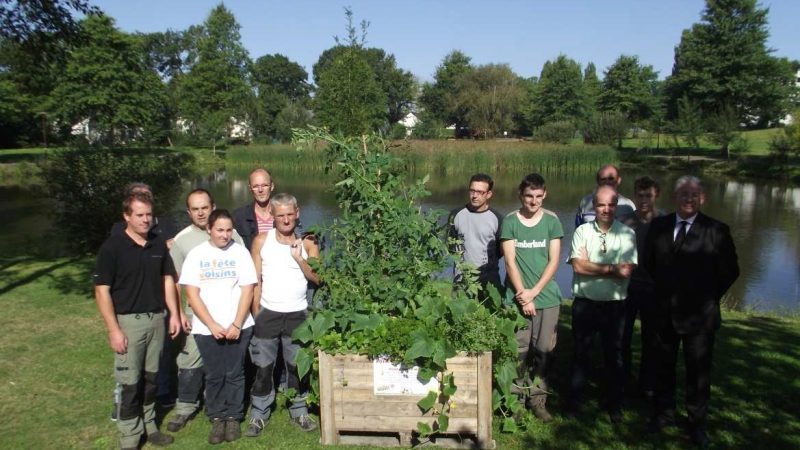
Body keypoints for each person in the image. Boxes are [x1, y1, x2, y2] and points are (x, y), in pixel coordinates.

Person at [644, 176, 739, 447]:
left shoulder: (717, 230)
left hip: (700, 315)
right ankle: (663, 414)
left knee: (698, 372)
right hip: (664, 312)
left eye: (694, 194)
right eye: (683, 193)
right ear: (674, 197)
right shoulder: (659, 226)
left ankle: (696, 423)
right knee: (663, 366)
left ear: (702, 198)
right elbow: (650, 262)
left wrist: (707, 296)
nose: (688, 198)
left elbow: (730, 271)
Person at [93, 192, 181, 449]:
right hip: (128, 323)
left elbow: (167, 279)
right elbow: (102, 290)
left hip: (157, 319)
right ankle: (130, 435)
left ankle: (150, 425)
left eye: (148, 215)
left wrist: (174, 313)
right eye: (139, 215)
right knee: (130, 382)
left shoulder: (157, 244)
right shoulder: (112, 247)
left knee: (152, 378)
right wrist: (113, 330)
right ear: (126, 217)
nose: (145, 220)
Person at [165, 189, 244, 433]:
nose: (201, 213)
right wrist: (177, 313)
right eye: (195, 209)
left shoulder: (232, 235)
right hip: (195, 312)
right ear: (189, 212)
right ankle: (185, 407)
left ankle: (223, 408)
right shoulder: (181, 240)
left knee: (225, 362)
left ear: (212, 207)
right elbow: (173, 279)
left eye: (205, 207)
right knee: (190, 359)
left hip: (228, 313)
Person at [245, 193, 320, 437]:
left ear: (297, 213)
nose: (286, 219)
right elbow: (255, 281)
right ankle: (259, 413)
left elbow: (319, 278)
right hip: (268, 312)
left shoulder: (308, 241)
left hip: (298, 313)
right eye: (281, 215)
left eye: (290, 214)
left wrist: (299, 259)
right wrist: (256, 313)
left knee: (296, 366)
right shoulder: (260, 241)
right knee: (264, 367)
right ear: (273, 217)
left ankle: (298, 409)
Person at [179, 209, 256, 444]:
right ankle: (216, 417)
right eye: (220, 230)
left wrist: (236, 323)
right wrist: (211, 324)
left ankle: (233, 415)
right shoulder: (196, 255)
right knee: (214, 374)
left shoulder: (240, 253)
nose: (224, 235)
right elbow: (191, 293)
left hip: (238, 325)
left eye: (228, 230)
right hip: (206, 328)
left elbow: (247, 289)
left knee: (234, 373)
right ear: (209, 230)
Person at [567, 185, 637, 424]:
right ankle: (575, 403)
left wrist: (592, 266)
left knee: (614, 356)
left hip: (614, 305)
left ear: (616, 206)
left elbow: (626, 271)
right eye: (600, 204)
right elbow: (577, 266)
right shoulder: (582, 232)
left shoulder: (627, 233)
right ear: (593, 206)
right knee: (580, 354)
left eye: (610, 205)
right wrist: (611, 268)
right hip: (585, 303)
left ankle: (614, 404)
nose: (606, 209)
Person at [500, 173, 563, 422]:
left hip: (546, 298)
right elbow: (509, 262)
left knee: (543, 350)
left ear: (544, 195)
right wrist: (523, 297)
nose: (533, 201)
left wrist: (534, 292)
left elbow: (554, 260)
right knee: (518, 351)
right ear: (520, 195)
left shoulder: (552, 222)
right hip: (516, 297)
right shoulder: (510, 222)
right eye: (529, 196)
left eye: (538, 196)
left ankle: (538, 400)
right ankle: (514, 401)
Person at [619, 176, 664, 398]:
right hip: (627, 288)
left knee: (651, 338)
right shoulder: (625, 222)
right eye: (640, 195)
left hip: (654, 289)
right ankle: (624, 378)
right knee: (623, 336)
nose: (644, 199)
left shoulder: (665, 222)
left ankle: (647, 383)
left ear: (657, 195)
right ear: (634, 195)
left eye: (649, 195)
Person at [448, 173, 503, 293]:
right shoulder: (455, 215)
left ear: (489, 194)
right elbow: (450, 246)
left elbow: (501, 251)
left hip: (489, 280)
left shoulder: (497, 218)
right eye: (472, 191)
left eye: (480, 192)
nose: (474, 196)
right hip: (462, 280)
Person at [233, 168, 275, 251]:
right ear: (250, 188)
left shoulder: (285, 215)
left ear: (272, 186)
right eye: (255, 186)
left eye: (264, 185)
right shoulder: (238, 217)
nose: (260, 190)